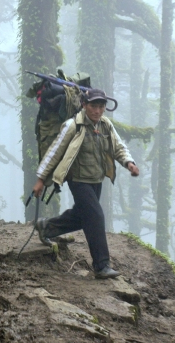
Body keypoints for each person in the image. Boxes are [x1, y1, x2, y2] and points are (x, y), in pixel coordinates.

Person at [32, 88, 139, 279]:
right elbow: (54, 152)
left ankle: (47, 227)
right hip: (78, 180)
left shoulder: (105, 125)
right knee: (96, 216)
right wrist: (41, 179)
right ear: (84, 105)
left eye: (100, 107)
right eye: (93, 106)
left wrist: (129, 163)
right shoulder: (73, 126)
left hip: (97, 179)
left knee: (83, 217)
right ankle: (101, 265)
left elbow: (118, 147)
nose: (97, 111)